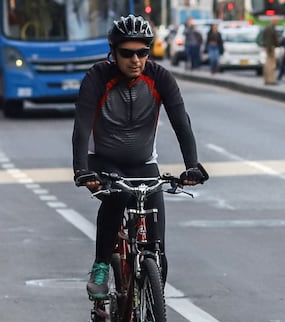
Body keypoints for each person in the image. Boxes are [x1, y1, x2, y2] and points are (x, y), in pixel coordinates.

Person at [72, 15, 208, 299]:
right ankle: (100, 265)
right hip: (104, 163)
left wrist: (192, 166)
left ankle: (150, 313)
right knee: (118, 198)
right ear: (113, 53)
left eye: (142, 52)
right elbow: (82, 126)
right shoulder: (98, 77)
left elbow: (181, 122)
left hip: (143, 164)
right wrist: (81, 170)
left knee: (157, 247)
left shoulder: (159, 77)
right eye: (127, 53)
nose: (135, 60)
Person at [260, 20, 279, 85]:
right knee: (271, 65)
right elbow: (272, 40)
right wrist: (272, 48)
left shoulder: (267, 28)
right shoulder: (271, 29)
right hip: (270, 48)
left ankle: (267, 79)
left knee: (267, 64)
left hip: (267, 47)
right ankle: (271, 80)